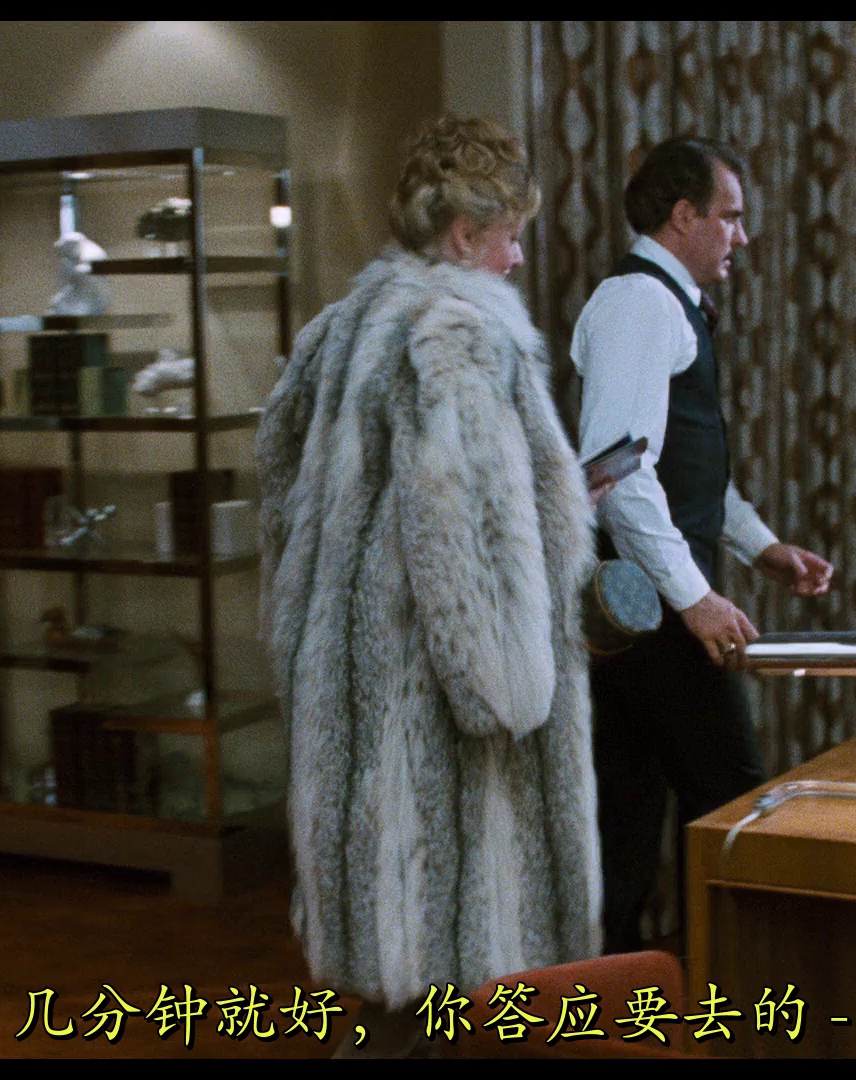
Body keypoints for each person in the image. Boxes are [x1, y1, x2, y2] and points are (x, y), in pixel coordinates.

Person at [256, 116, 601, 1056]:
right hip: (441, 731)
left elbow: (280, 494)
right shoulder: (459, 337)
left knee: (394, 991)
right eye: (510, 235)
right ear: (463, 234)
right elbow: (467, 537)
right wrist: (512, 688)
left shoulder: (339, 331)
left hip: (354, 707)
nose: (518, 258)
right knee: (452, 986)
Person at [572, 136, 835, 956]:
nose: (741, 237)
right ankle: (719, 996)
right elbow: (617, 473)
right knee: (731, 803)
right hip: (651, 610)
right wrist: (696, 598)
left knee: (629, 814)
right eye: (730, 217)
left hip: (650, 608)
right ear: (682, 216)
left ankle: (614, 1000)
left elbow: (681, 469)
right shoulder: (641, 303)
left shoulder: (662, 302)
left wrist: (761, 548)